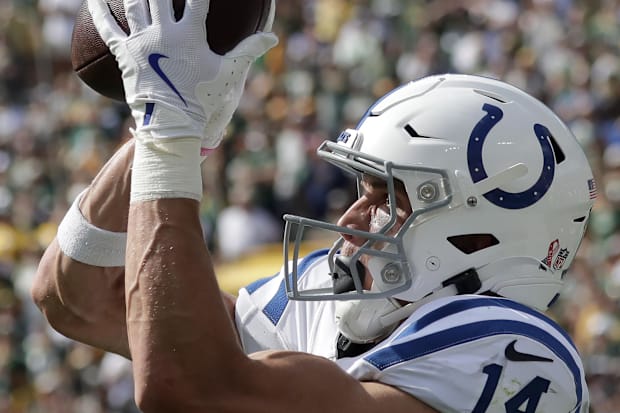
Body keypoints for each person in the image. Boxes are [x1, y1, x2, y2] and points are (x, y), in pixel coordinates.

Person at [31, 0, 593, 411]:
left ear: (478, 234)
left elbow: (191, 389)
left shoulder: (516, 349)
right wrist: (180, 121)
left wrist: (168, 133)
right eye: (363, 191)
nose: (351, 219)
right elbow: (77, 296)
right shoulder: (331, 309)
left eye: (388, 199)